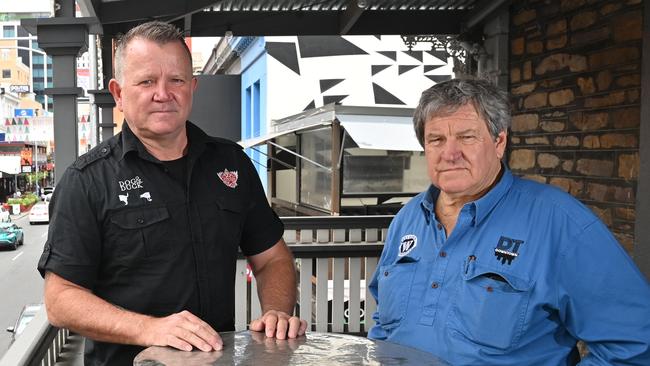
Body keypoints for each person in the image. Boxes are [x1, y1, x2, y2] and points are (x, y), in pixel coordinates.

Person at [37, 21, 307, 366]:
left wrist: (276, 313)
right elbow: (60, 300)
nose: (163, 93)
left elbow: (273, 258)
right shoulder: (86, 180)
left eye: (176, 80)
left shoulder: (232, 164)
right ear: (118, 93)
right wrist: (150, 329)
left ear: (192, 87)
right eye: (147, 81)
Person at [368, 78, 650, 365]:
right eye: (436, 139)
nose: (450, 154)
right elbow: (384, 324)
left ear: (499, 141)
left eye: (467, 137)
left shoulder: (560, 224)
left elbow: (635, 345)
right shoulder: (408, 218)